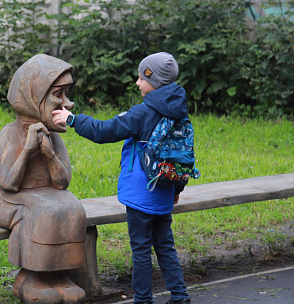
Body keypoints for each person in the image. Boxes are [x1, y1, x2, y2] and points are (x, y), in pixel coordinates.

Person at [52, 52, 191, 304]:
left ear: (155, 81)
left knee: (140, 251)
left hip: (141, 196)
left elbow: (105, 131)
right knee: (165, 248)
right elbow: (182, 154)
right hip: (164, 192)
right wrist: (177, 189)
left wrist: (72, 119)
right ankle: (180, 297)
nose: (137, 83)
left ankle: (143, 300)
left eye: (141, 78)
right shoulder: (179, 112)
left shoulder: (142, 113)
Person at [0, 54, 87, 304]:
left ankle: (60, 275)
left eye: (66, 94)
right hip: (8, 201)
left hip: (47, 195)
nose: (67, 103)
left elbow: (62, 182)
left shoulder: (54, 137)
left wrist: (49, 153)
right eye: (58, 95)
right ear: (33, 97)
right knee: (44, 209)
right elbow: (8, 184)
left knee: (73, 207)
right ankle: (31, 278)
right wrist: (28, 150)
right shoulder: (10, 133)